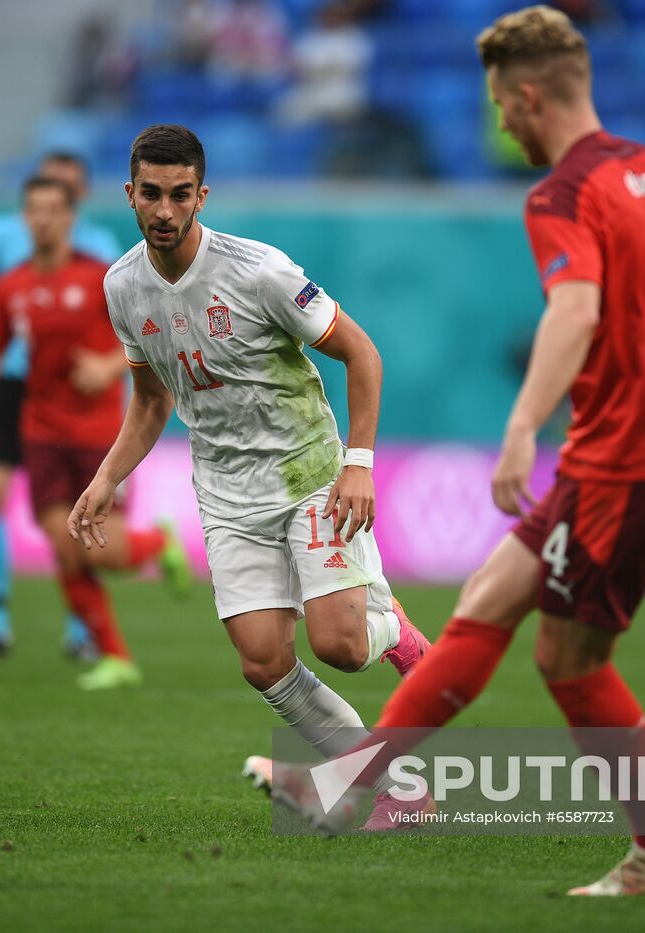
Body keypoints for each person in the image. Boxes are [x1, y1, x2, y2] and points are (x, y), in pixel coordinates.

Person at [253, 5, 645, 895]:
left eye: (498, 106)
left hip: (629, 459)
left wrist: (523, 426)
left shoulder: (562, 194)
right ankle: (353, 783)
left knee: (570, 662)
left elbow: (576, 308)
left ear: (528, 98)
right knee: (488, 598)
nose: (500, 124)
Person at [67, 125, 431, 785]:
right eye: (151, 194)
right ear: (129, 194)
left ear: (201, 196)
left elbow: (361, 353)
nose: (165, 210)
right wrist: (106, 477)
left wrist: (359, 463)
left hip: (308, 474)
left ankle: (395, 632)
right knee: (263, 662)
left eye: (180, 194)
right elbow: (151, 401)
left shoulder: (259, 271)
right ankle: (389, 787)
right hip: (228, 495)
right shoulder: (122, 287)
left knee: (341, 646)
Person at [0, 176, 191, 690]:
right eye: (34, 210)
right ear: (25, 218)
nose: (43, 220)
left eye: (53, 210)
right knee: (66, 549)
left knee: (102, 553)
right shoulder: (10, 287)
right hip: (41, 433)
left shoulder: (101, 279)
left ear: (70, 218)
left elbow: (148, 337)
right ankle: (116, 657)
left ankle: (159, 542)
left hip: (99, 436)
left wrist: (109, 367)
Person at [0, 152, 122, 660]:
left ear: (78, 198)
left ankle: (81, 630)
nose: (47, 210)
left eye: (65, 190)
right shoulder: (1, 238)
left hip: (75, 394)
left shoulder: (101, 250)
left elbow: (130, 332)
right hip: (11, 382)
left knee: (81, 525)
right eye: (42, 194)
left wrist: (109, 372)